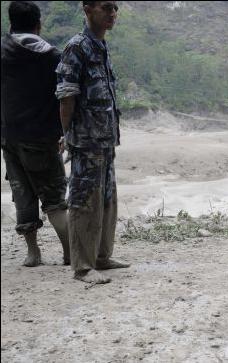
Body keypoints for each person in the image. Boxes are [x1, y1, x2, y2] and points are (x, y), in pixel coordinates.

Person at [56, 1, 128, 284]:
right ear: (87, 9)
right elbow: (66, 97)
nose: (112, 13)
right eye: (106, 7)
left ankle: (101, 256)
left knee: (107, 199)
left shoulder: (101, 46)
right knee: (84, 201)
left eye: (115, 8)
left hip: (105, 141)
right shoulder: (77, 47)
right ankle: (83, 267)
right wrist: (67, 134)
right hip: (86, 142)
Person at [1, 1, 69, 267]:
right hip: (41, 137)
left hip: (9, 136)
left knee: (22, 194)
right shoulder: (53, 56)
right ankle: (68, 252)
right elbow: (64, 97)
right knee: (54, 199)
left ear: (10, 23)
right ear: (38, 24)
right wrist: (64, 132)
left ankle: (33, 253)